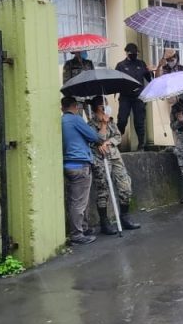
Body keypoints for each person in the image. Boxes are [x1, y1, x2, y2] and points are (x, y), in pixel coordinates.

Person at [88, 98, 140, 233]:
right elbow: (95, 139)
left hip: (115, 157)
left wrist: (108, 142)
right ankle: (104, 223)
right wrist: (103, 127)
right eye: (104, 105)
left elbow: (118, 136)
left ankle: (125, 217)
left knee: (125, 186)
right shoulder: (90, 125)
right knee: (103, 190)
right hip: (101, 160)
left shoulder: (111, 121)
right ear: (98, 108)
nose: (107, 107)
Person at [62, 96, 108, 245]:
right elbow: (96, 137)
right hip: (80, 164)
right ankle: (77, 234)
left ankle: (84, 227)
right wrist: (103, 124)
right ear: (75, 107)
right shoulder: (76, 120)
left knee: (76, 200)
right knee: (79, 202)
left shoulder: (62, 121)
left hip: (68, 164)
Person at [115, 43, 155, 149]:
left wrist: (151, 72)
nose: (134, 55)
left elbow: (150, 79)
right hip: (125, 96)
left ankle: (141, 144)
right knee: (122, 120)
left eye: (135, 53)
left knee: (139, 121)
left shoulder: (141, 63)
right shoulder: (120, 65)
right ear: (127, 52)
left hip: (138, 96)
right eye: (132, 53)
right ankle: (117, 142)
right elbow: (115, 81)